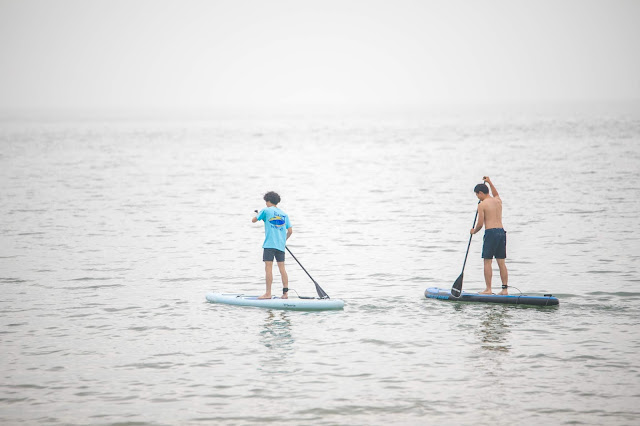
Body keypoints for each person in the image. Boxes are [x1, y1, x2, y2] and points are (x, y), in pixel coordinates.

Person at [470, 176, 509, 295]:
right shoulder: (498, 200)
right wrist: (489, 182)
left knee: (487, 262)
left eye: (477, 195)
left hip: (491, 233)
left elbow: (480, 224)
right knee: (501, 262)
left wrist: (474, 231)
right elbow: (495, 193)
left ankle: (488, 289)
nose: (478, 197)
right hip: (501, 232)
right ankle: (504, 289)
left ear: (481, 193)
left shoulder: (482, 205)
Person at [252, 191, 293, 299]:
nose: (266, 204)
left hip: (269, 245)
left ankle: (268, 293)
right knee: (282, 269)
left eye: (266, 201)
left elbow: (253, 220)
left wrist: (258, 215)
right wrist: (283, 240)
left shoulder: (265, 210)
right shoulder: (284, 214)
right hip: (280, 246)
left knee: (268, 268)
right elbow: (290, 231)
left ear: (268, 201)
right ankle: (285, 294)